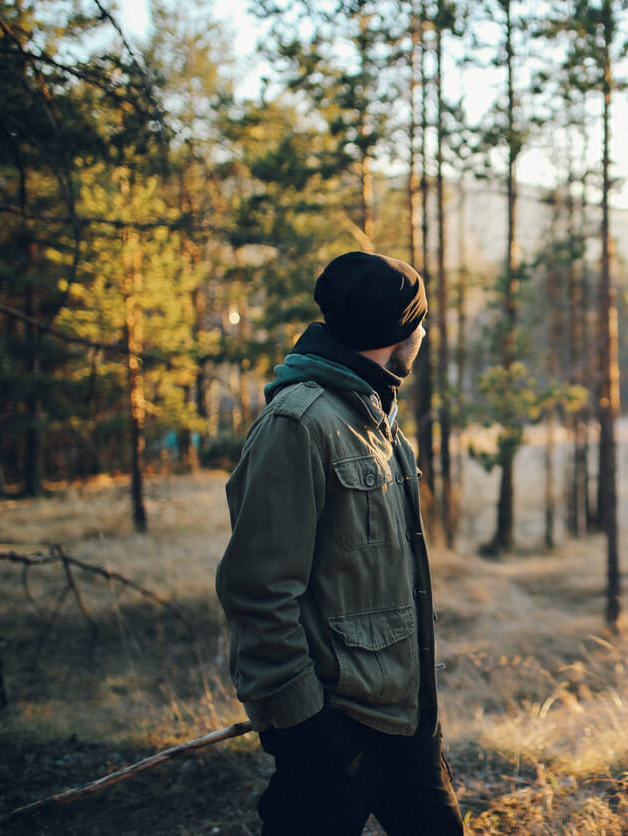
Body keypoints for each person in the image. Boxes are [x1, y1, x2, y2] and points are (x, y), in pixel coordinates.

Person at [216, 251, 462, 836]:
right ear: (399, 330)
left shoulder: (373, 415)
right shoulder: (299, 424)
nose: (425, 332)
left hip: (404, 719)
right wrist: (306, 728)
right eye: (420, 320)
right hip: (336, 726)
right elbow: (258, 590)